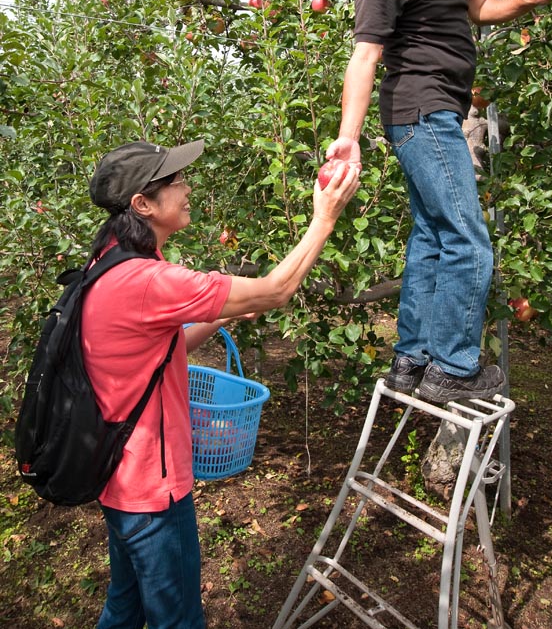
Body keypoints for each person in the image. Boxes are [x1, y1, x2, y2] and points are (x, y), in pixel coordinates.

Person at [326, 0, 552, 405]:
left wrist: (530, 0)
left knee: (434, 239)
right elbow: (364, 57)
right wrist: (348, 137)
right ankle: (455, 368)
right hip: (421, 112)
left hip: (441, 109)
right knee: (470, 240)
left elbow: (477, 10)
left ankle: (412, 361)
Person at [82, 138, 359, 629]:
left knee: (124, 608)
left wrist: (221, 318)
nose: (188, 188)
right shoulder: (150, 280)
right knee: (179, 620)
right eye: (176, 182)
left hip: (117, 478)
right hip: (152, 492)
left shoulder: (107, 262)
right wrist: (326, 217)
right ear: (142, 204)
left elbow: (158, 351)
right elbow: (278, 289)